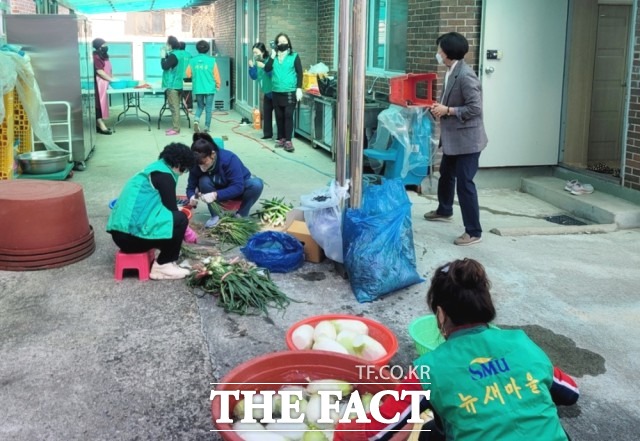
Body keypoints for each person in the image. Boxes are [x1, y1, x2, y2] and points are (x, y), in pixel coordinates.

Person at [334, 258, 579, 441]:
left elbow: (374, 433)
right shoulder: (522, 344)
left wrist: (335, 431)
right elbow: (570, 393)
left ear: (440, 314)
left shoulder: (429, 370)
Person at [424, 32, 488, 246]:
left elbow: (475, 108)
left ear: (448, 53)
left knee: (465, 184)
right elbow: (447, 102)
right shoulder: (452, 71)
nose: (438, 54)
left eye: (440, 50)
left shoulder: (467, 75)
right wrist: (438, 109)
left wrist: (448, 110)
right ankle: (444, 210)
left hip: (468, 141)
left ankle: (473, 232)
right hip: (454, 140)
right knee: (446, 174)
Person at [107, 143, 195, 280]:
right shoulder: (165, 176)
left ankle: (167, 260)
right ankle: (163, 266)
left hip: (121, 235)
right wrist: (187, 230)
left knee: (174, 220)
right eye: (184, 169)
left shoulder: (153, 169)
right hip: (131, 240)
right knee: (180, 219)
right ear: (178, 164)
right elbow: (171, 210)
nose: (183, 173)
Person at [186, 133, 264, 228]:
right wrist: (191, 197)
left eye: (204, 163)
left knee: (256, 184)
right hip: (215, 191)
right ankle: (216, 215)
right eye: (199, 165)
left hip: (236, 192)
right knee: (203, 180)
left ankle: (241, 215)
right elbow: (190, 187)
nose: (202, 168)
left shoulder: (229, 159)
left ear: (213, 155)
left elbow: (238, 187)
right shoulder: (196, 164)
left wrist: (215, 195)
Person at [264, 33, 303, 152]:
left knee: (288, 115)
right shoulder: (274, 57)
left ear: (288, 43)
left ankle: (288, 141)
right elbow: (267, 69)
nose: (282, 44)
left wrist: (299, 88)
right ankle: (281, 138)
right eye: (279, 42)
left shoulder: (294, 56)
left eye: (284, 41)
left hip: (290, 91)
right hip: (276, 91)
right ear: (276, 44)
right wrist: (272, 56)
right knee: (279, 116)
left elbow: (299, 72)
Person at [186, 40, 221, 134]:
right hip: (210, 88)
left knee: (200, 106)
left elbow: (188, 74)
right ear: (207, 49)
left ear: (197, 49)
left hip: (198, 88)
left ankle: (196, 121)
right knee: (208, 108)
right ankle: (206, 127)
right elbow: (216, 75)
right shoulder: (212, 60)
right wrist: (218, 85)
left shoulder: (192, 61)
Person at [161, 36, 187, 136]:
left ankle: (176, 129)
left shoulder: (173, 56)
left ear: (170, 44)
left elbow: (165, 67)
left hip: (172, 85)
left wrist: (163, 57)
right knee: (175, 107)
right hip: (179, 84)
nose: (166, 46)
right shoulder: (180, 54)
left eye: (167, 44)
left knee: (174, 108)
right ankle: (175, 127)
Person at [248, 42, 274, 140]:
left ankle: (282, 137)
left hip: (274, 90)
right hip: (266, 91)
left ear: (263, 52)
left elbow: (273, 74)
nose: (255, 55)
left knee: (279, 115)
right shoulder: (256, 62)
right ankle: (267, 134)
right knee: (266, 113)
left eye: (256, 53)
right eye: (253, 53)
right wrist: (251, 67)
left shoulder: (269, 61)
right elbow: (254, 76)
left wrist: (264, 66)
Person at [92, 38, 116, 135]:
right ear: (99, 46)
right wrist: (111, 80)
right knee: (98, 103)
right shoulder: (96, 56)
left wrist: (111, 78)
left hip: (105, 82)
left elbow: (108, 69)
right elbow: (99, 71)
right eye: (104, 44)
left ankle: (98, 125)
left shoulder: (104, 55)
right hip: (99, 82)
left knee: (103, 104)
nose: (106, 46)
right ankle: (101, 125)